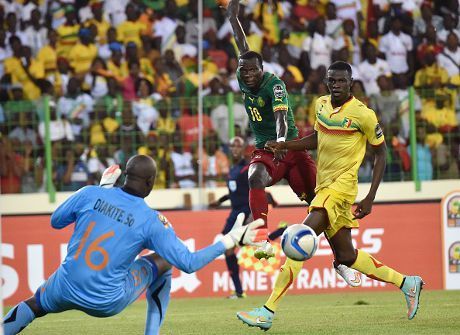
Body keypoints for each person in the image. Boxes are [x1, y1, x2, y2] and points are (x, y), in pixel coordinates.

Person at [237, 61, 424, 331]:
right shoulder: (322, 104)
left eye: (340, 81)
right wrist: (285, 145)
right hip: (324, 186)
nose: (335, 85)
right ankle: (408, 283)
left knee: (298, 239)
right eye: (331, 80)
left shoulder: (364, 115)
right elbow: (317, 138)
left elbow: (381, 153)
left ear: (351, 83)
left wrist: (370, 196)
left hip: (341, 188)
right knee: (347, 255)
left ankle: (267, 311)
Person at [3, 155, 264, 335]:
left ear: (124, 176)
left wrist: (101, 189)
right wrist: (231, 239)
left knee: (34, 304)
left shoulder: (91, 192)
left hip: (65, 285)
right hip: (106, 300)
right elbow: (188, 263)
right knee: (164, 262)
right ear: (151, 182)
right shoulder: (151, 221)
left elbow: (56, 222)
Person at [226, 0, 316, 259]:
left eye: (253, 71)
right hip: (266, 149)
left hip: (291, 148)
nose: (248, 75)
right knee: (254, 176)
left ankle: (342, 257)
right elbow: (242, 47)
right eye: (244, 71)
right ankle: (262, 239)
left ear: (262, 70)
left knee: (315, 200)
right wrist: (233, 17)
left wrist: (279, 141)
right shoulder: (244, 74)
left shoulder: (274, 85)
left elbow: (281, 117)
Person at [208, 136, 288, 299]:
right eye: (232, 146)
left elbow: (257, 186)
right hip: (234, 212)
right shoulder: (233, 169)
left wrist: (269, 200)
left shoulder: (248, 167)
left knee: (240, 243)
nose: (234, 149)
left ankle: (238, 291)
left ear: (243, 148)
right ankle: (238, 291)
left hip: (246, 210)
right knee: (231, 249)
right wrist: (220, 201)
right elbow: (234, 192)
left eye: (238, 146)